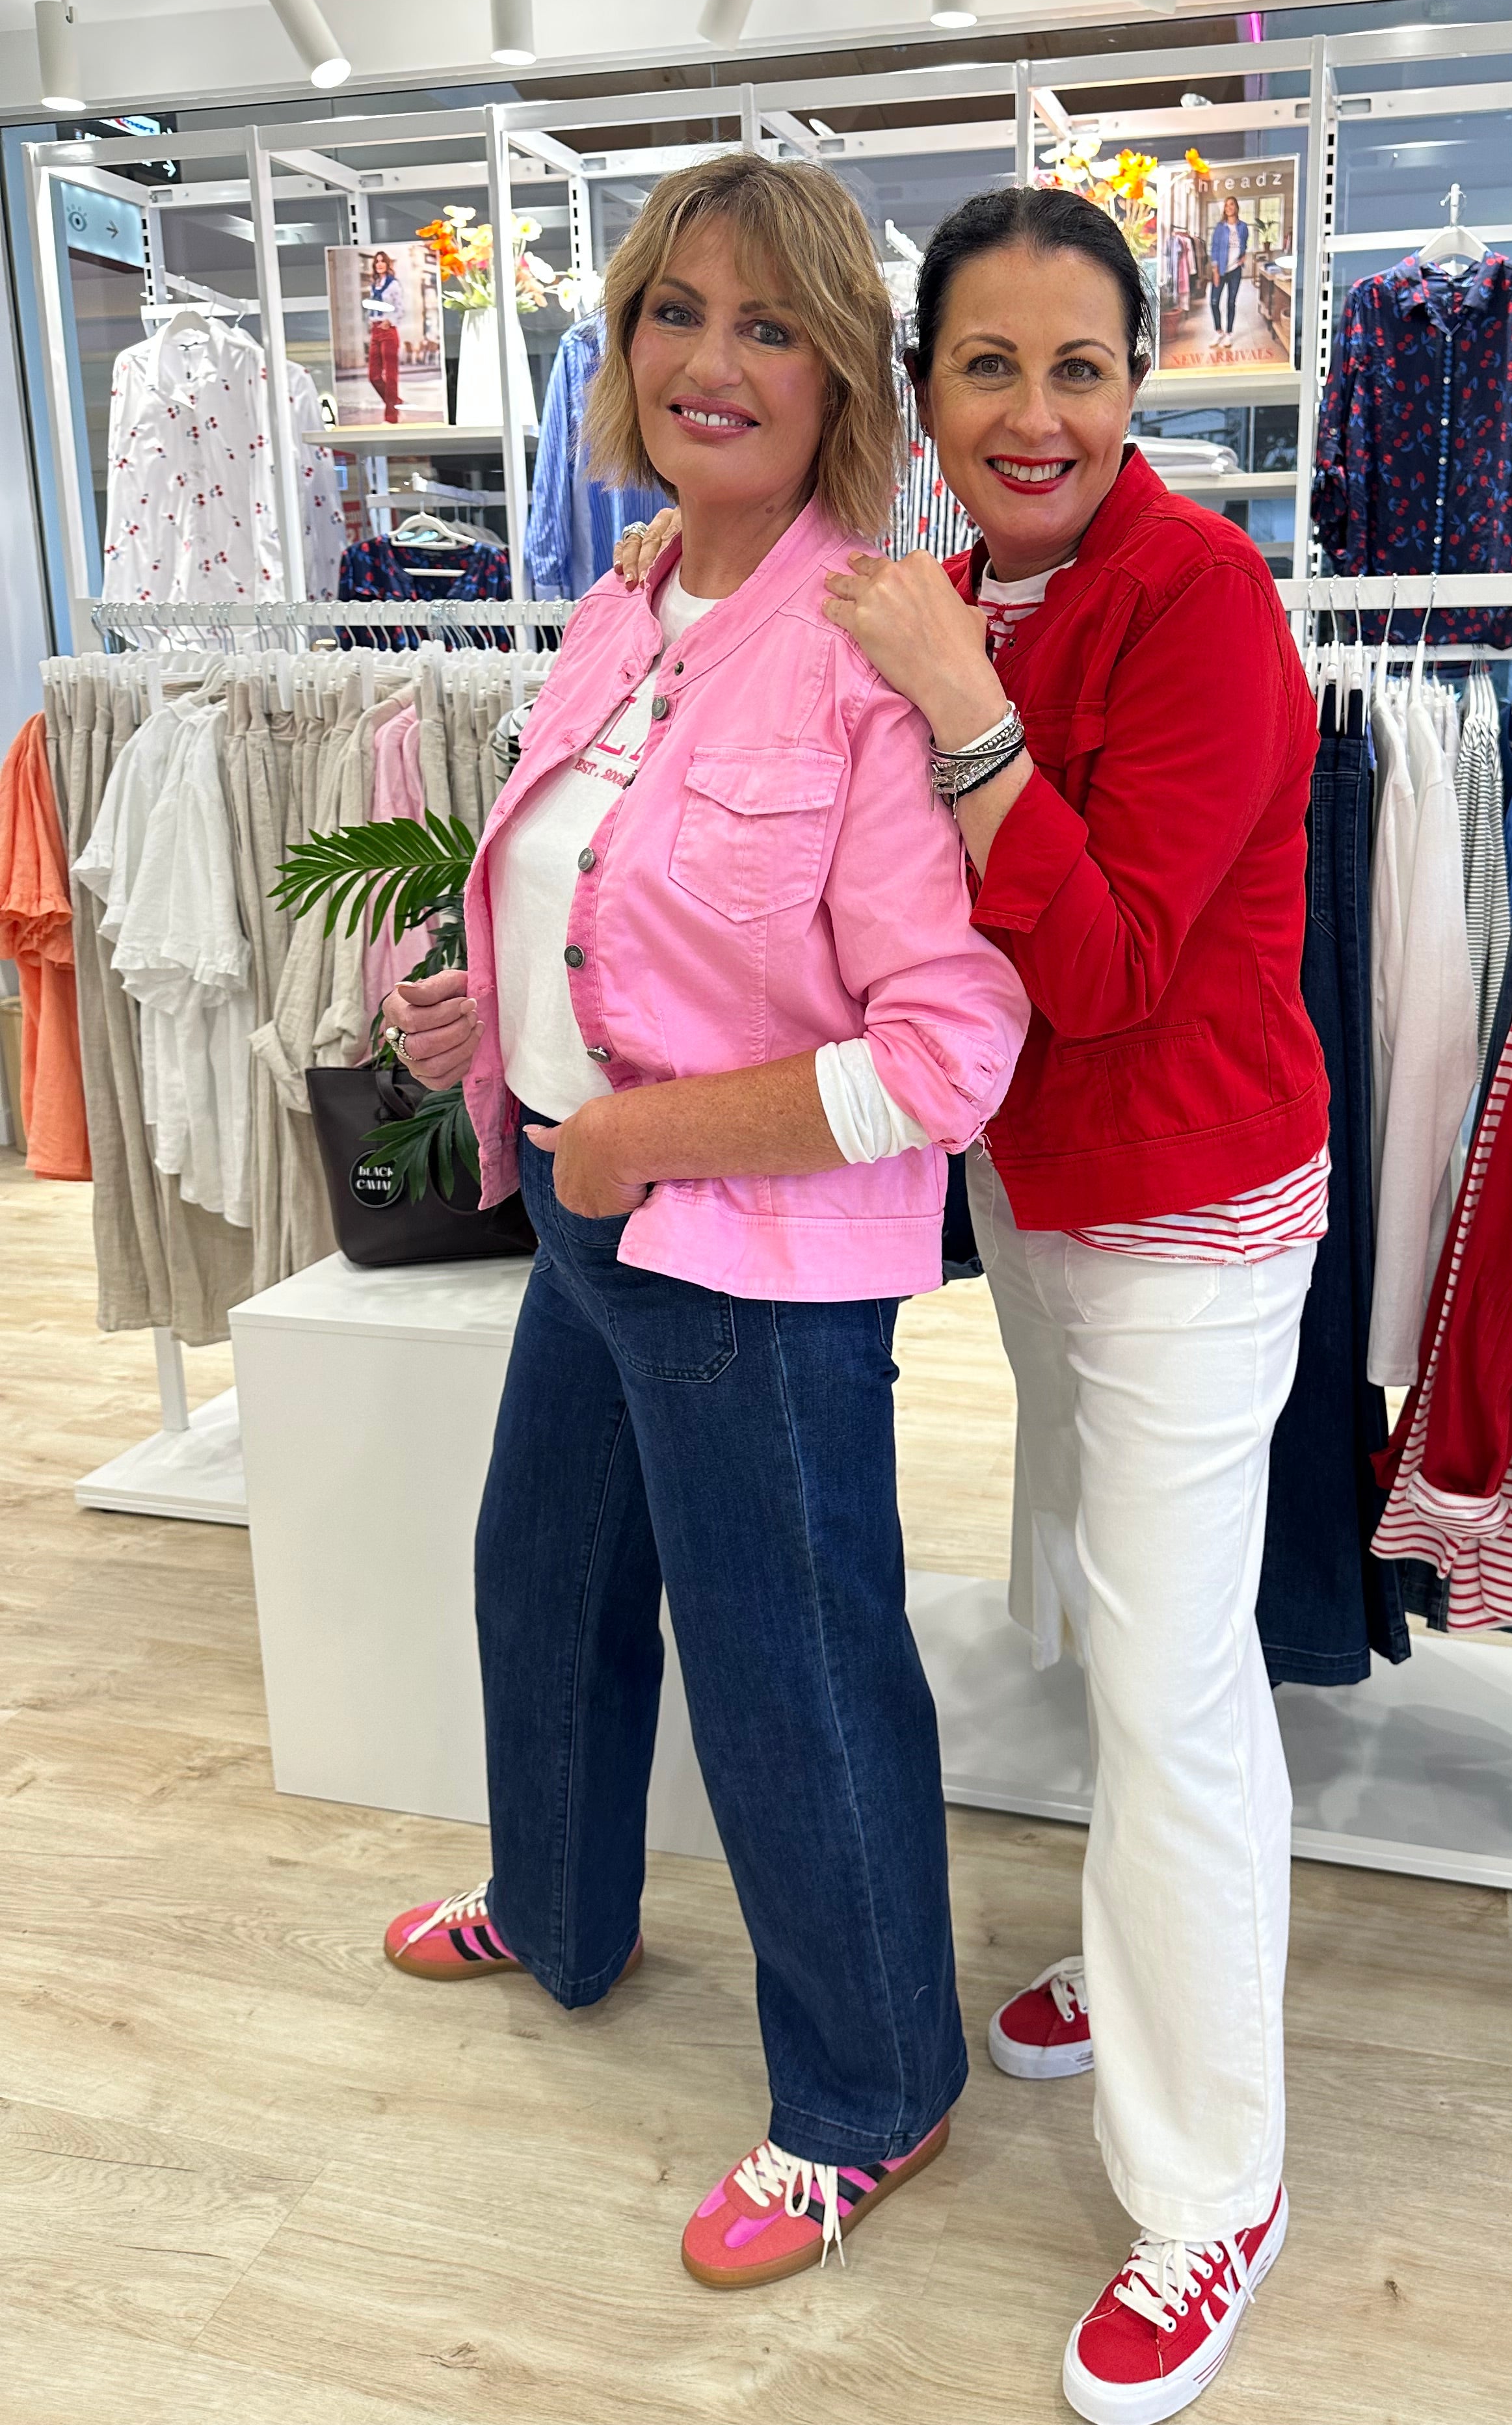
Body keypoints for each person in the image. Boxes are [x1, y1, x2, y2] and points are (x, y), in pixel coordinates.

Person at [622, 183, 1329, 2423]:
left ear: (1141, 386)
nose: (1038, 414)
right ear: (920, 394)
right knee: (1108, 1624)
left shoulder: (1195, 603)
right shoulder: (963, 584)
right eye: (990, 367)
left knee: (1171, 1675)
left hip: (1193, 1213)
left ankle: (1214, 2188)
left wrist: (955, 702)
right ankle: (1148, 1957)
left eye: (1082, 369)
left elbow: (1102, 972)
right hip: (1044, 1203)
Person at [378, 153, 1029, 2294]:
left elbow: (949, 1055)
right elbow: (615, 907)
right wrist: (485, 1012)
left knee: (791, 1675)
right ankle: (558, 1910)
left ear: (840, 371)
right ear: (623, 342)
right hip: (594, 1218)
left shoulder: (866, 653)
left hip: (753, 1267)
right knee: (541, 1579)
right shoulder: (624, 598)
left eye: (768, 324)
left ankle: (872, 2088)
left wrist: (642, 1133)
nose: (712, 360)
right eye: (676, 312)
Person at [365, 249, 405, 422]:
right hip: (375, 330)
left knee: (391, 376)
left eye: (382, 261)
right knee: (374, 376)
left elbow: (400, 308)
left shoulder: (394, 284)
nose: (379, 264)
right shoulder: (374, 286)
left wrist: (390, 320)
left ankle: (391, 417)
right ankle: (395, 401)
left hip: (388, 331)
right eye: (377, 261)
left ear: (388, 264)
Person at [1208, 194, 1249, 342]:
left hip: (1235, 271)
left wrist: (1244, 256)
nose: (1229, 207)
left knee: (1231, 302)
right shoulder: (1220, 228)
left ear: (1236, 207)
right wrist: (1215, 271)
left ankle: (1229, 334)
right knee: (1214, 302)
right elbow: (1214, 249)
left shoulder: (1243, 227)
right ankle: (1219, 331)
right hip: (1220, 270)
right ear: (1224, 209)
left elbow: (1244, 244)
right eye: (1226, 205)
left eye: (1231, 204)